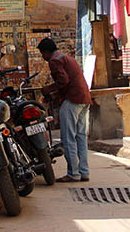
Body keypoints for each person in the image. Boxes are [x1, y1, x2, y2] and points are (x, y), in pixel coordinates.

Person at [37, 37, 92, 182]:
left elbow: (63, 81)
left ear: (46, 52)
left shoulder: (54, 61)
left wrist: (48, 89)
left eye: (42, 54)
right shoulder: (67, 58)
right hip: (84, 98)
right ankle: (84, 172)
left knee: (68, 138)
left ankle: (73, 173)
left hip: (72, 99)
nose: (43, 58)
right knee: (81, 136)